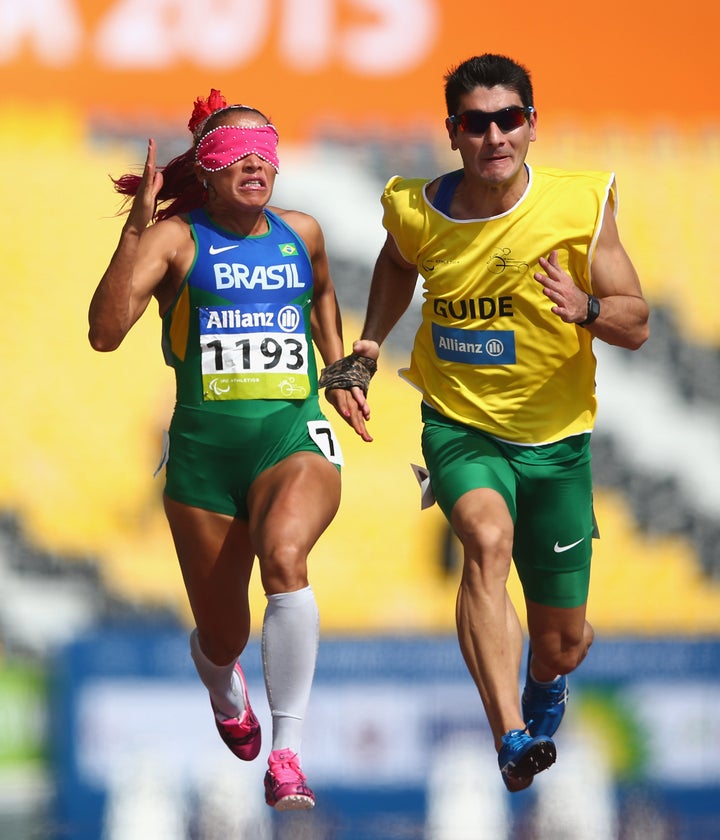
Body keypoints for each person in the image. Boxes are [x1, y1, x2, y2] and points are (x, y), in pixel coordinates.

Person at [324, 53, 649, 791]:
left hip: (559, 444)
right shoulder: (415, 206)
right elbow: (398, 260)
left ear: (533, 124)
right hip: (460, 426)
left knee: (564, 641)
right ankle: (507, 733)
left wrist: (588, 309)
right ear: (453, 133)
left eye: (509, 119)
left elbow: (637, 323)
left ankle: (546, 682)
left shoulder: (579, 206)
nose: (494, 136)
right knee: (485, 539)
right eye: (477, 123)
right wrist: (370, 344)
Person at [88, 90, 369, 810]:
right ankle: (221, 683)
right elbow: (106, 331)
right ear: (204, 172)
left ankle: (286, 754)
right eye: (231, 152)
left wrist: (340, 378)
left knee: (284, 558)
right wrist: (135, 233)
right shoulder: (176, 239)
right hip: (203, 462)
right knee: (224, 632)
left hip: (290, 437)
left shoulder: (301, 232)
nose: (253, 161)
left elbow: (326, 299)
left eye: (265, 149)